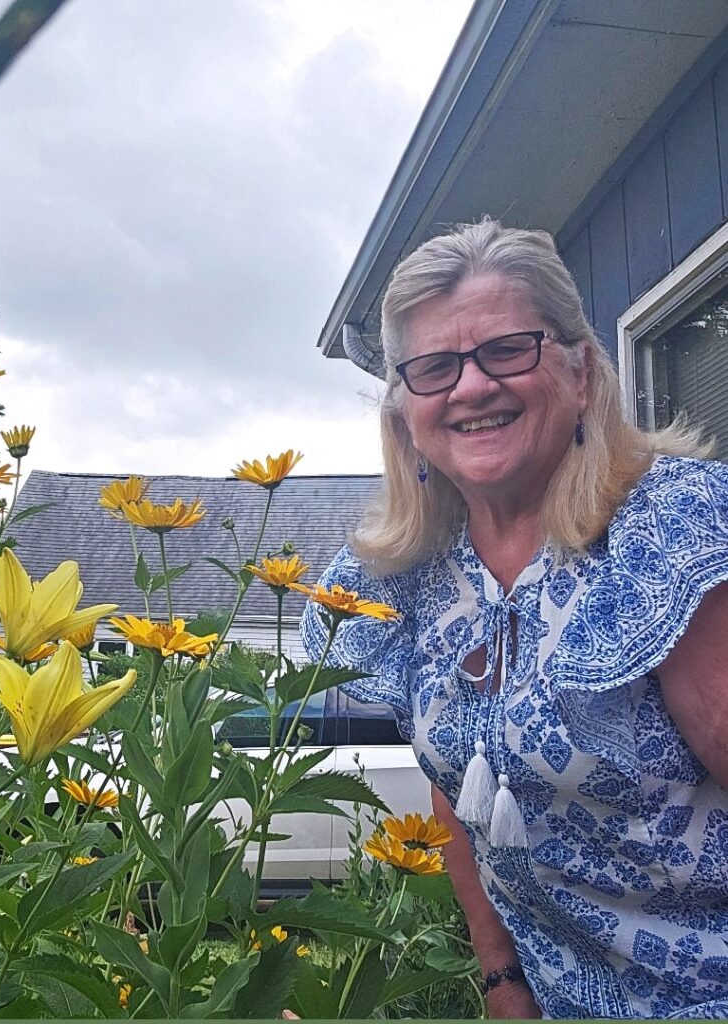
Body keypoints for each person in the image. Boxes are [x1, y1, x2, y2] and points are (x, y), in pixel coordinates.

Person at [301, 219, 728, 1020]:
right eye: (433, 368)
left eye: (506, 350)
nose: (469, 387)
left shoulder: (672, 536)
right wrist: (501, 978)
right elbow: (455, 779)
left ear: (578, 371)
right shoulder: (406, 574)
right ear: (402, 408)